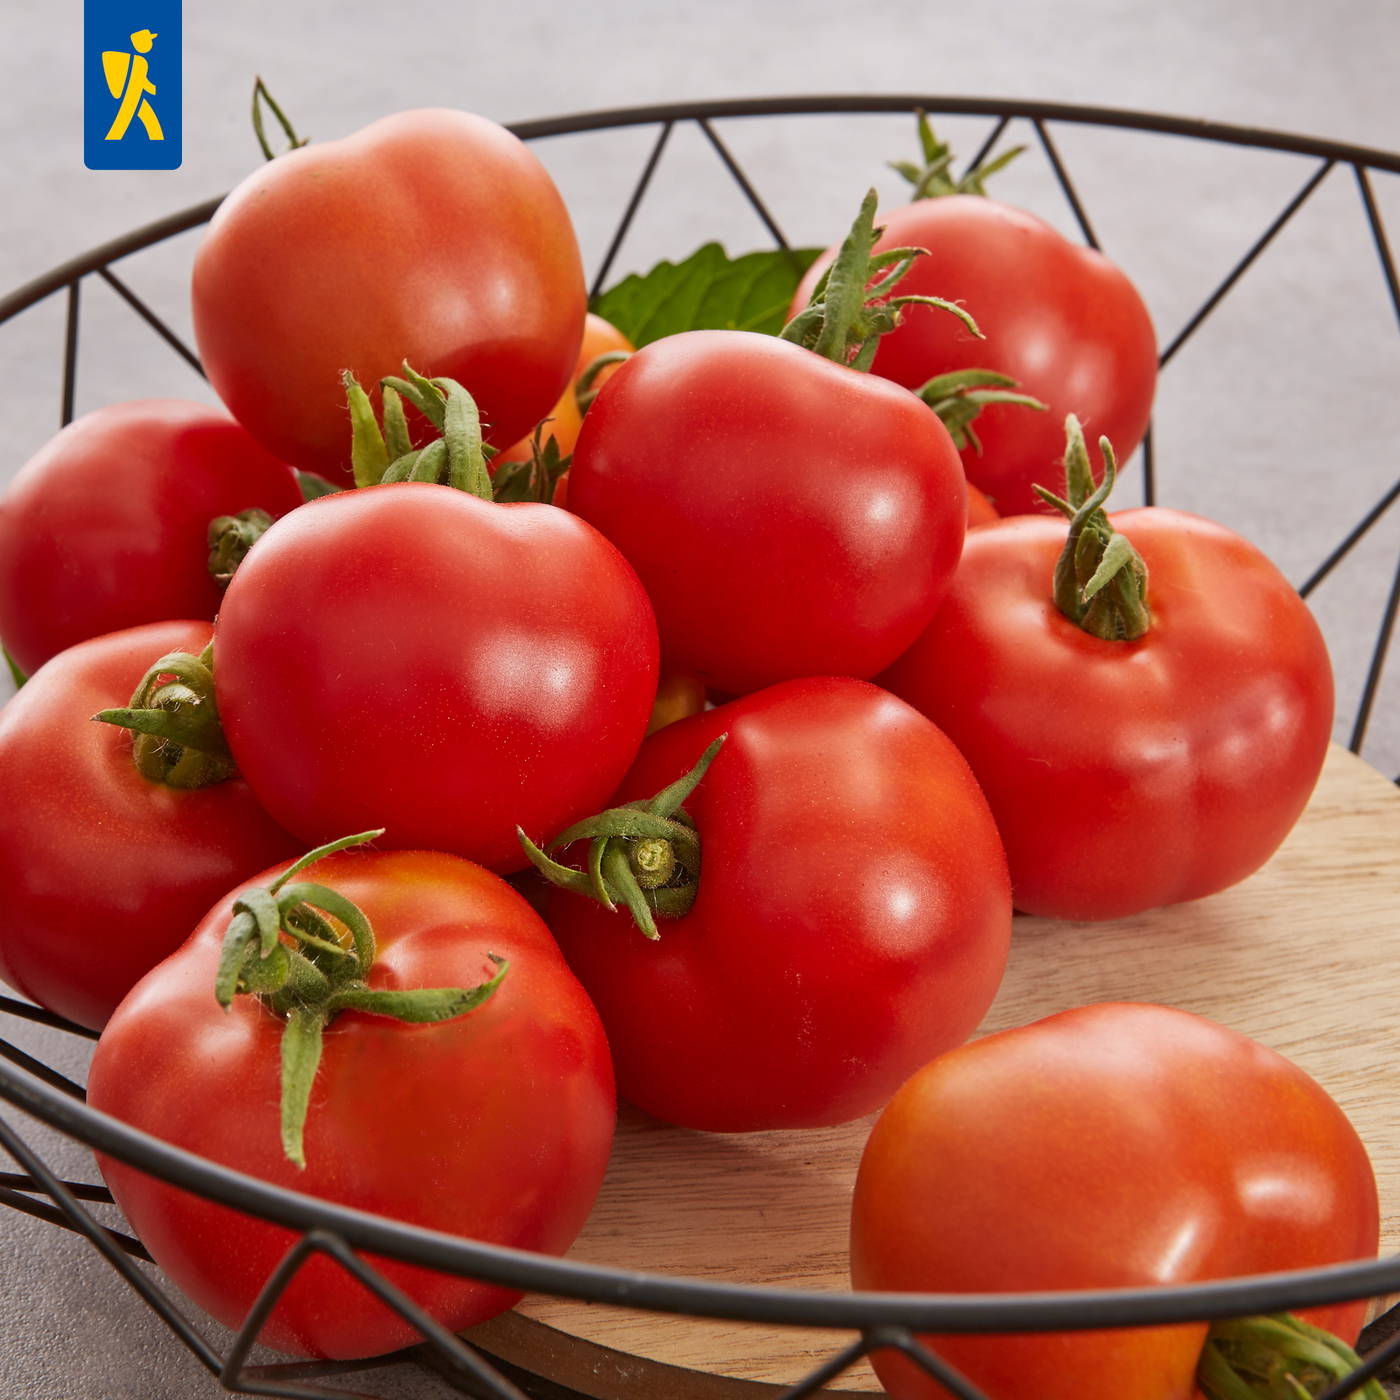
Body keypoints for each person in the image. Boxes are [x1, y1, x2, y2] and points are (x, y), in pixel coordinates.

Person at [102, 29, 163, 142]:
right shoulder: (138, 62)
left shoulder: (129, 60)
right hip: (131, 95)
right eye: (149, 41)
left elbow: (145, 84)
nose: (151, 44)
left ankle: (157, 140)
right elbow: (144, 84)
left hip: (132, 94)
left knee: (150, 121)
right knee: (125, 121)